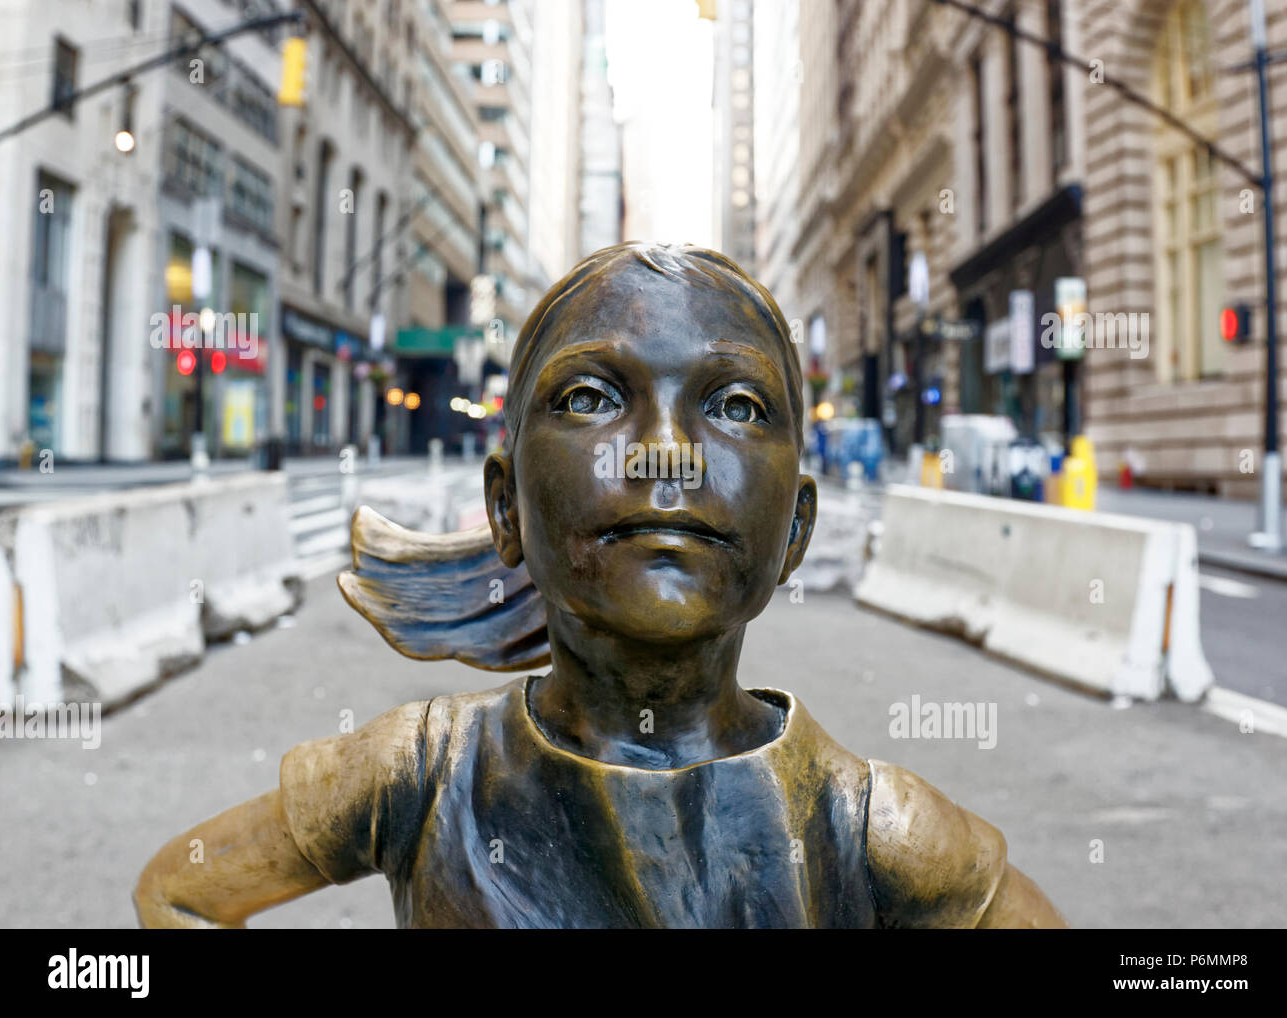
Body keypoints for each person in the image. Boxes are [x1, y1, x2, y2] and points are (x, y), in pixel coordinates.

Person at [134, 242, 1066, 929]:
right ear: (505, 507)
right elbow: (176, 892)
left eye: (736, 407)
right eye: (591, 399)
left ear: (795, 531)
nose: (665, 449)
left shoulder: (872, 828)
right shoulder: (418, 774)